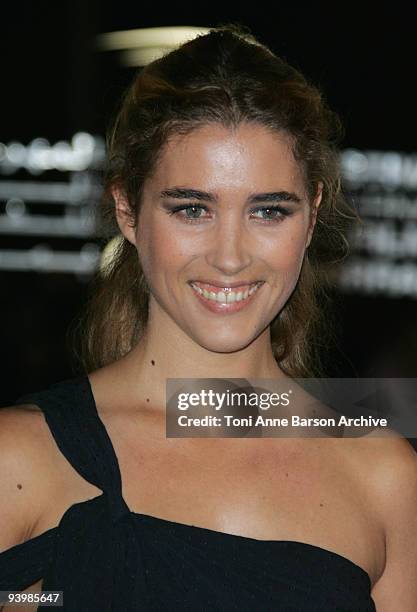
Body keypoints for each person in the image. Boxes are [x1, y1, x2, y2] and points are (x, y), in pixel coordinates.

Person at [1, 23, 417, 612]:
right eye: (192, 208)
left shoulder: (383, 476)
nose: (229, 257)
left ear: (313, 212)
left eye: (269, 210)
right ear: (127, 208)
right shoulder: (18, 461)